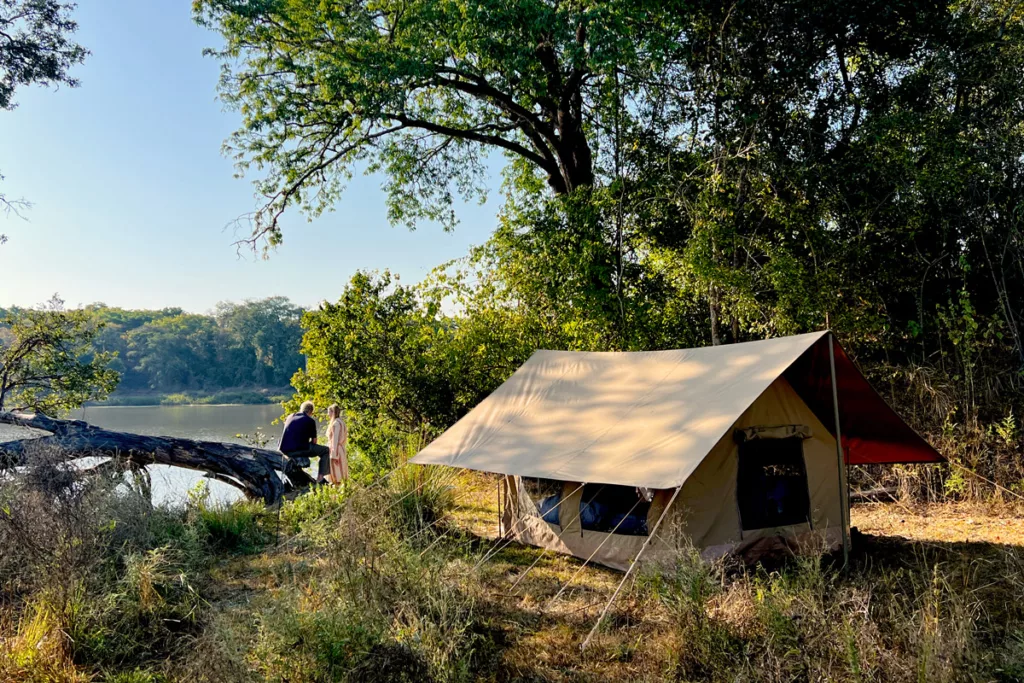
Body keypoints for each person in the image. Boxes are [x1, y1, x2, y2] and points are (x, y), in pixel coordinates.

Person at [278, 401, 330, 483]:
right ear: (311, 411)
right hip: (298, 450)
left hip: (284, 450)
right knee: (326, 450)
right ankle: (320, 478)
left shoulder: (290, 416)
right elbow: (314, 441)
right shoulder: (310, 421)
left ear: (301, 409)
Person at [324, 404, 349, 484]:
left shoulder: (336, 424)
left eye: (329, 412)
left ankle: (337, 494)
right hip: (340, 449)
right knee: (340, 473)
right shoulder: (341, 422)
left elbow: (335, 440)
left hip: (336, 450)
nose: (328, 414)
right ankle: (339, 493)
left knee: (337, 475)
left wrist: (334, 455)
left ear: (333, 412)